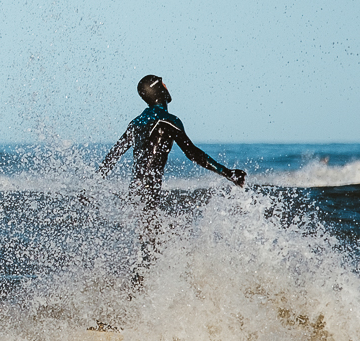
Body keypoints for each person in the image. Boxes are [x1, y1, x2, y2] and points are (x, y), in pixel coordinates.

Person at [95, 75, 247, 261]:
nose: (167, 86)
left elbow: (113, 155)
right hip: (149, 190)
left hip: (135, 191)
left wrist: (92, 184)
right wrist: (227, 173)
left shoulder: (136, 122)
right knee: (152, 246)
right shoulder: (168, 120)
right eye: (163, 83)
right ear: (158, 90)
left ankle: (140, 285)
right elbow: (193, 153)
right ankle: (144, 285)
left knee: (149, 243)